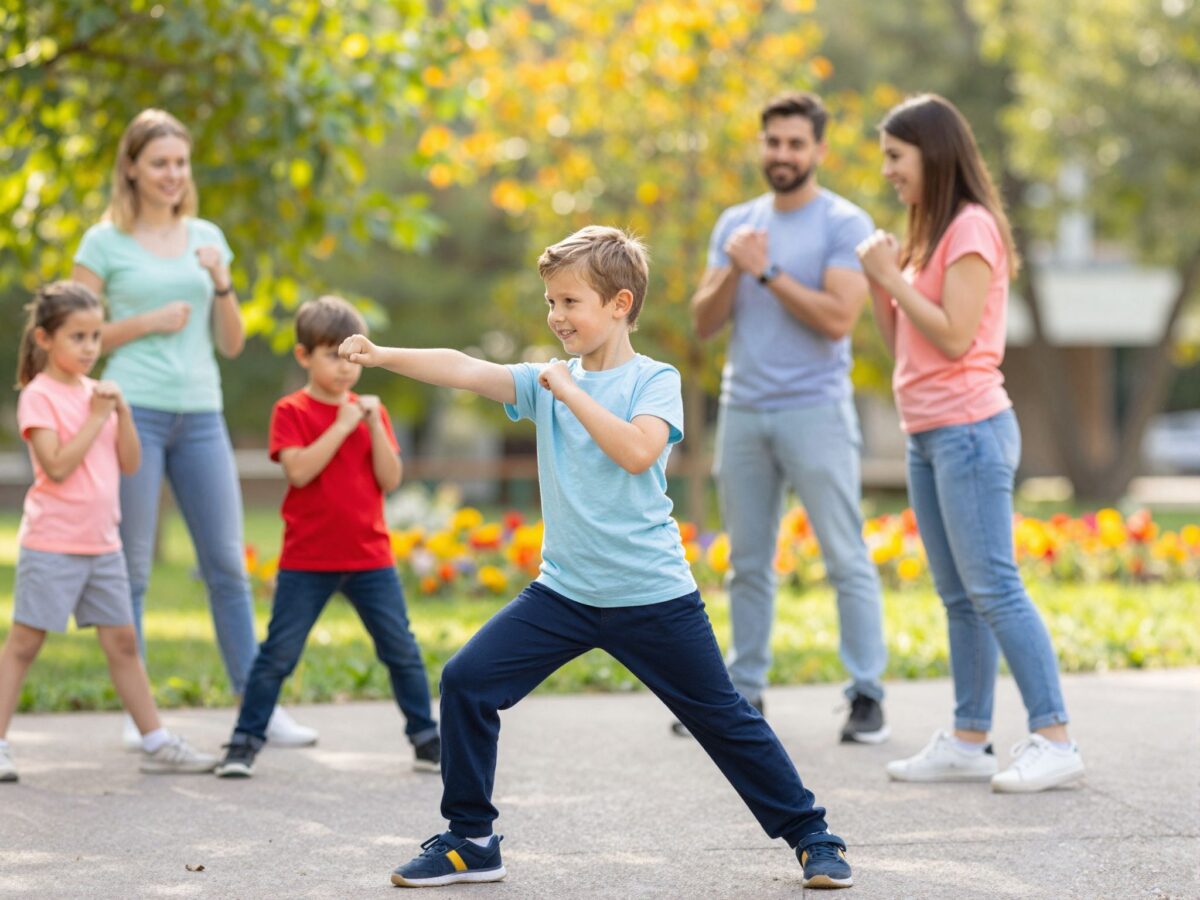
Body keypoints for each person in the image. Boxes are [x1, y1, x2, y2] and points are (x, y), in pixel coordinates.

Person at [341, 226, 855, 890]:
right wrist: (382, 355)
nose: (556, 317)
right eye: (550, 303)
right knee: (467, 681)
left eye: (569, 302)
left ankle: (813, 836)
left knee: (724, 719)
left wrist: (570, 392)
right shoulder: (547, 382)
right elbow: (465, 367)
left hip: (653, 597)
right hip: (564, 596)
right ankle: (470, 840)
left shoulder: (654, 380)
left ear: (618, 304)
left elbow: (639, 452)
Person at [856, 93, 1084, 792]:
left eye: (897, 157)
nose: (889, 171)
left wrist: (892, 276)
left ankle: (1055, 736)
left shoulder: (973, 228)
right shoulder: (927, 236)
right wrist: (882, 286)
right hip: (928, 431)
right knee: (959, 596)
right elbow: (906, 345)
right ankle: (968, 737)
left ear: (934, 152)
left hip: (970, 430)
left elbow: (955, 337)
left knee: (994, 587)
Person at [71, 108, 315, 749]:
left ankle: (256, 706)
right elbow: (77, 343)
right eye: (159, 163)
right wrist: (146, 322)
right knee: (136, 568)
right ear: (131, 168)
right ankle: (139, 713)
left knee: (228, 566)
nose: (172, 174)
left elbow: (231, 344)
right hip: (133, 413)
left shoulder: (207, 235)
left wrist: (222, 280)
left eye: (180, 162)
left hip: (202, 414)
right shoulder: (102, 244)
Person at [689, 92, 888, 743]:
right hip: (743, 409)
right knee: (746, 560)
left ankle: (866, 695)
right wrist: (735, 269)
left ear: (819, 150)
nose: (782, 154)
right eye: (773, 142)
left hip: (816, 411)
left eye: (796, 144)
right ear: (762, 145)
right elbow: (703, 324)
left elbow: (837, 320)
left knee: (844, 556)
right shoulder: (736, 223)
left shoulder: (844, 223)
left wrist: (767, 270)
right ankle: (745, 694)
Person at [0, 282, 218, 783]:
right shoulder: (40, 396)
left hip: (102, 542)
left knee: (123, 643)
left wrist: (121, 413)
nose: (90, 347)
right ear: (44, 338)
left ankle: (156, 740)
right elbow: (55, 466)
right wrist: (99, 415)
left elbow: (131, 463)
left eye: (96, 336)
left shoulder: (95, 393)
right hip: (53, 542)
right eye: (77, 336)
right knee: (24, 644)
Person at [214, 296, 439, 777]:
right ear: (304, 357)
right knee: (278, 654)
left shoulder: (369, 413)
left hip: (369, 557)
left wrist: (374, 425)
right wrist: (341, 426)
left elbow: (390, 479)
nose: (344, 368)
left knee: (400, 648)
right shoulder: (291, 410)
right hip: (308, 560)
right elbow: (298, 472)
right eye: (331, 356)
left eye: (353, 357)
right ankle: (244, 742)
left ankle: (426, 738)